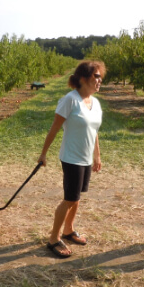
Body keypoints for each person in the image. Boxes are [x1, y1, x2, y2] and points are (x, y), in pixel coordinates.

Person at [38, 60, 106, 258]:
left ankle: (68, 230)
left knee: (76, 198)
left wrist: (97, 155)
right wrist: (43, 153)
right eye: (96, 76)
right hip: (71, 157)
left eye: (101, 76)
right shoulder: (70, 100)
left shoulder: (96, 103)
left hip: (85, 158)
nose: (100, 80)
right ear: (83, 78)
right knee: (69, 199)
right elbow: (55, 127)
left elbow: (94, 131)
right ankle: (53, 239)